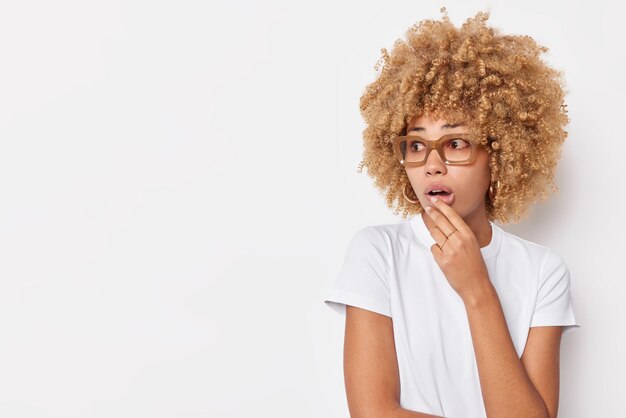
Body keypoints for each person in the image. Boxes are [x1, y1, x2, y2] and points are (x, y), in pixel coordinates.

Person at [323, 8, 580, 418]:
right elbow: (371, 412)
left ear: (498, 154)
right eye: (416, 145)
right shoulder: (378, 253)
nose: (432, 164)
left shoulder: (543, 271)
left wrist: (477, 289)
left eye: (457, 143)